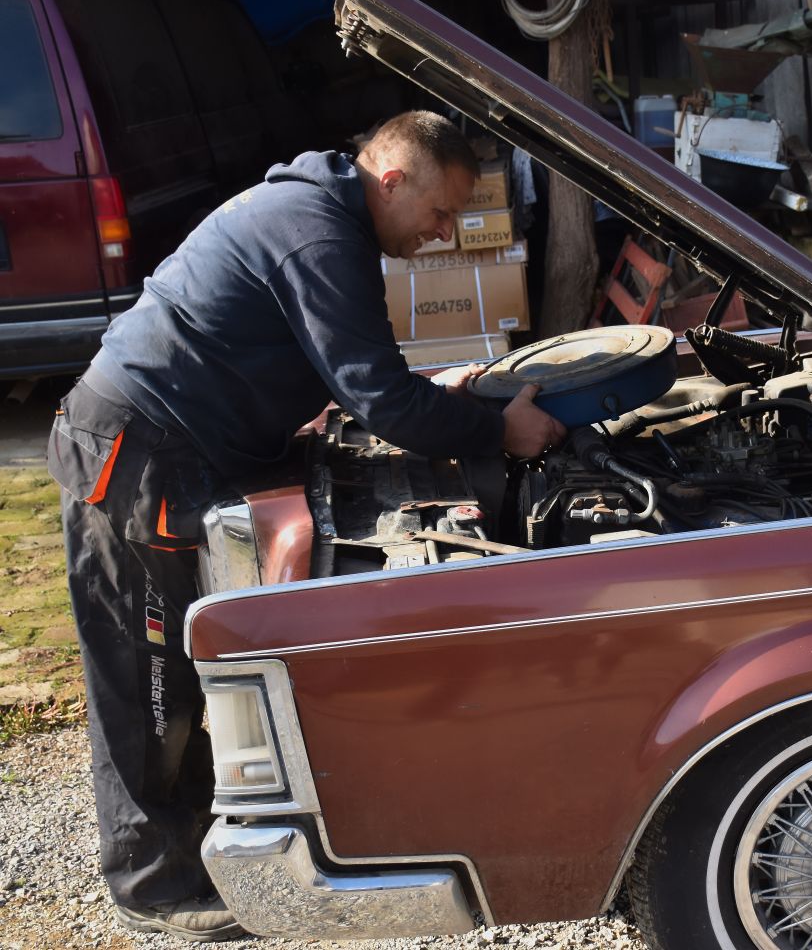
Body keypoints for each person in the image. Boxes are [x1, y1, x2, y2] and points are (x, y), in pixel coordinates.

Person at [46, 111, 565, 942]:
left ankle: (205, 837)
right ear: (393, 177)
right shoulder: (318, 234)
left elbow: (364, 372)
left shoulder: (326, 217)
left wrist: (451, 395)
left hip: (172, 442)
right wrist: (495, 431)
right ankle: (156, 885)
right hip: (138, 453)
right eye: (439, 214)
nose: (442, 235)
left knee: (189, 666)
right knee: (147, 676)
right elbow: (379, 396)